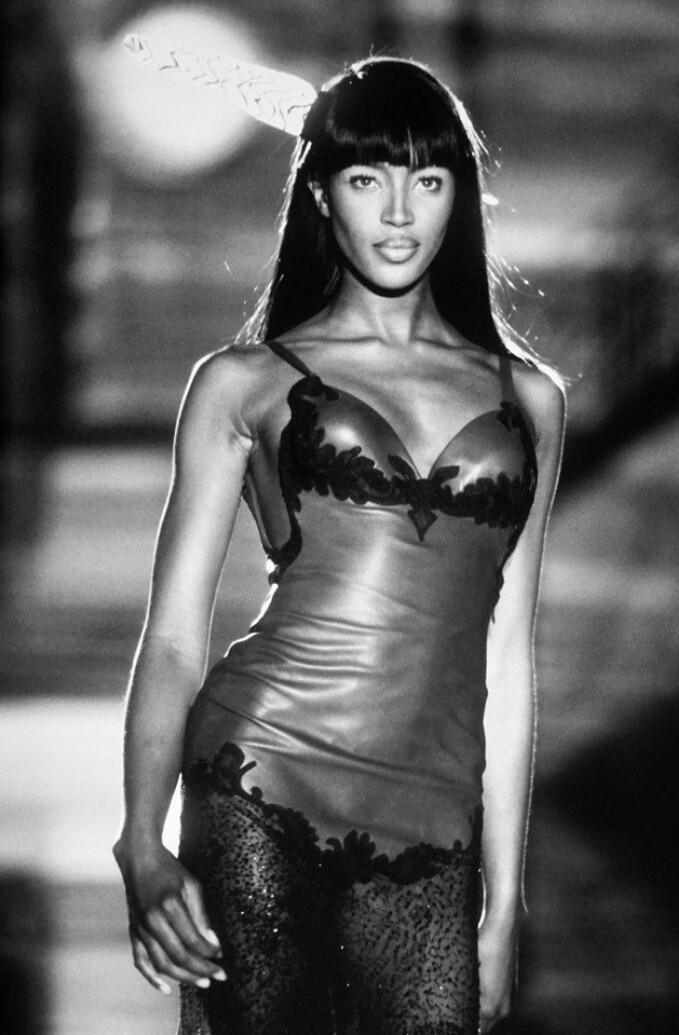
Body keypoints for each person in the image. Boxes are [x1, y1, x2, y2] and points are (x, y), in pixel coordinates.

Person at [113, 54, 565, 1035]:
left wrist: (503, 904)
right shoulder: (242, 382)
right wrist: (140, 840)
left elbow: (506, 657)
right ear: (321, 193)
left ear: (460, 197)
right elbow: (177, 638)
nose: (398, 212)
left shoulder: (529, 400)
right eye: (367, 178)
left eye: (428, 180)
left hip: (433, 829)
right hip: (263, 782)